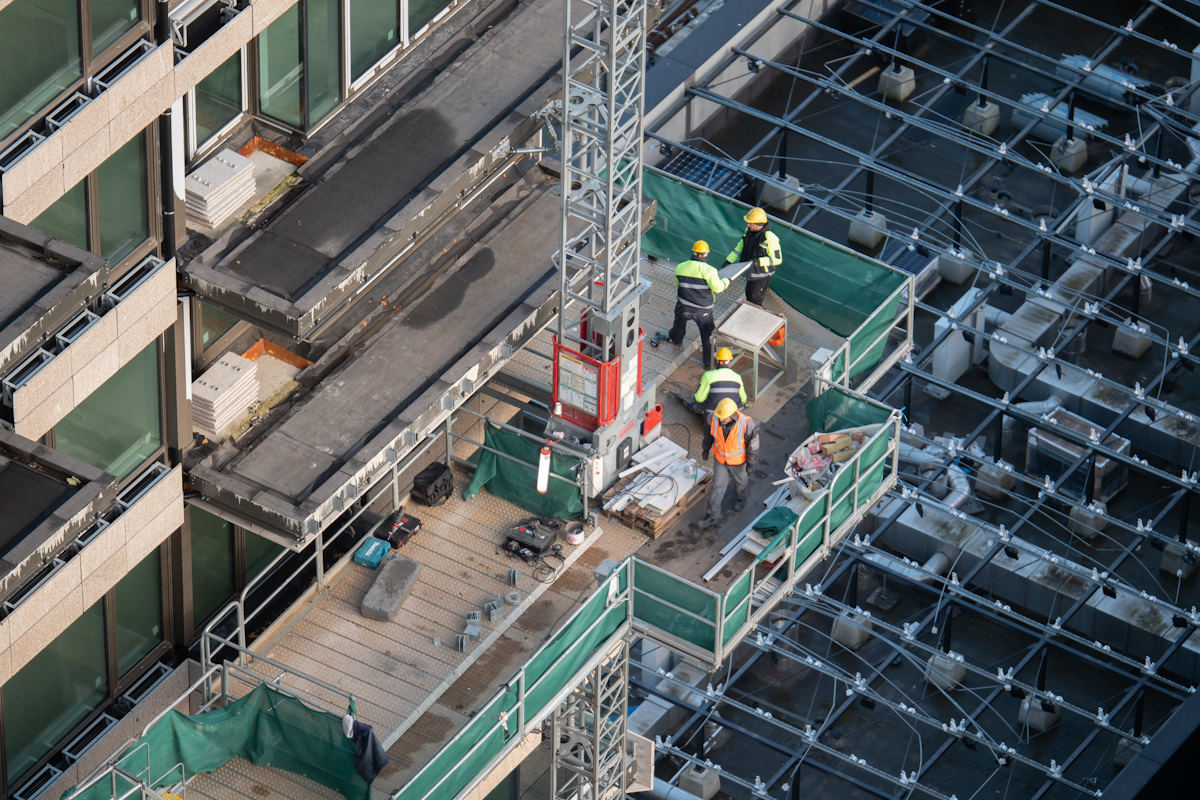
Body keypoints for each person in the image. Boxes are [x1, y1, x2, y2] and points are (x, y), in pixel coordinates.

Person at [668, 240, 729, 368]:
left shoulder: (680, 267)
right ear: (706, 254)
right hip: (703, 311)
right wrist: (726, 281)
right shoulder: (710, 271)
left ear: (693, 252)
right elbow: (717, 288)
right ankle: (708, 362)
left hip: (683, 307)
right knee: (707, 337)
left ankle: (676, 339)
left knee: (679, 325)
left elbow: (678, 283)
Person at [701, 398, 760, 522]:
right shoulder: (712, 418)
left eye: (725, 418)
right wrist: (705, 448)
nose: (721, 420)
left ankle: (741, 498)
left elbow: (753, 448)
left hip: (738, 463)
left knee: (741, 482)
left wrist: (751, 465)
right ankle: (712, 514)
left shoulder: (747, 425)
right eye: (720, 417)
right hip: (721, 460)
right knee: (718, 486)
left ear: (733, 415)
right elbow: (708, 435)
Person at [724, 207, 782, 305]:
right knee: (749, 293)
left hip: (762, 274)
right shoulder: (749, 231)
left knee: (755, 298)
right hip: (752, 270)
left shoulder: (770, 238)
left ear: (759, 225)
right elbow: (740, 246)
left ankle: (755, 315)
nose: (748, 224)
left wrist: (758, 262)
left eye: (751, 223)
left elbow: (777, 259)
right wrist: (729, 261)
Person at [677, 347, 747, 416]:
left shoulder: (708, 375)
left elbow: (699, 399)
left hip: (714, 412)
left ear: (718, 361)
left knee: (698, 404)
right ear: (729, 363)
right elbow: (744, 400)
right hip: (734, 413)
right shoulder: (737, 377)